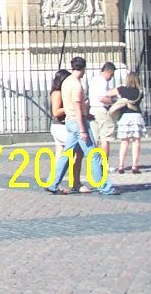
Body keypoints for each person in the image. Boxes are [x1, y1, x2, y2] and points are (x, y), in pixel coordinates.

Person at [47, 56, 116, 195]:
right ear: (83, 68)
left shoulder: (66, 82)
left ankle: (52, 183)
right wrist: (83, 130)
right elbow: (77, 107)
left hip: (69, 122)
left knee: (67, 154)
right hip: (78, 122)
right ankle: (104, 187)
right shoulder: (76, 85)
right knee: (93, 154)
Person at [49, 68, 84, 192]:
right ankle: (75, 182)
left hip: (60, 126)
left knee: (60, 155)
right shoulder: (57, 93)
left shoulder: (60, 92)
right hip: (61, 126)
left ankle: (53, 181)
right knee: (74, 152)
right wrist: (70, 106)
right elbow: (56, 112)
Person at [112, 71, 146, 174]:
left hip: (125, 116)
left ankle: (121, 165)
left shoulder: (122, 89)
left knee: (124, 141)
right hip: (136, 116)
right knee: (136, 141)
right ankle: (134, 166)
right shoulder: (140, 91)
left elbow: (109, 93)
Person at [87, 61, 119, 168]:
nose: (111, 77)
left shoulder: (93, 80)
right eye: (111, 74)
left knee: (95, 139)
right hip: (102, 110)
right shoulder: (103, 81)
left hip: (93, 110)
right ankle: (104, 164)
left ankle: (95, 164)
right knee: (105, 138)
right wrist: (114, 102)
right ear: (107, 71)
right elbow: (102, 98)